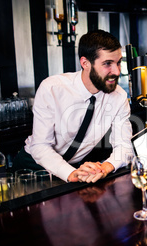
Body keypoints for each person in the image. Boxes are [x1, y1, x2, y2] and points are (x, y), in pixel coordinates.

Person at [12, 30, 133, 183]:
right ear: (85, 63)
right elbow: (40, 146)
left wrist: (105, 168)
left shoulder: (119, 96)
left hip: (74, 169)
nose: (116, 71)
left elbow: (124, 146)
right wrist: (70, 173)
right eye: (107, 64)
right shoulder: (52, 88)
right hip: (32, 168)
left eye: (118, 62)